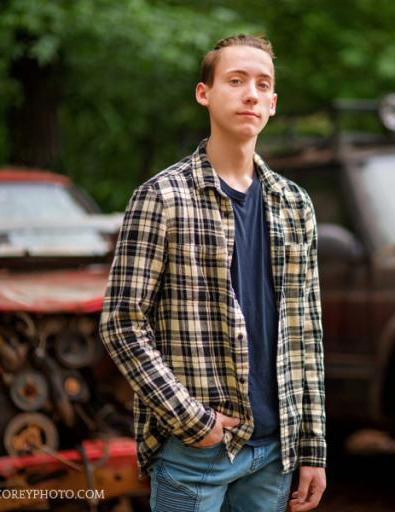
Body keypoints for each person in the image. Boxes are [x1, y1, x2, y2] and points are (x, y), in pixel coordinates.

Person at [99, 34, 326, 511]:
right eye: (236, 80)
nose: (251, 94)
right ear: (205, 93)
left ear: (274, 103)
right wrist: (190, 419)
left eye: (263, 85)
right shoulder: (161, 197)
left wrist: (312, 448)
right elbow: (122, 321)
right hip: (195, 450)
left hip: (275, 452)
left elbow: (306, 333)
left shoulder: (295, 204)